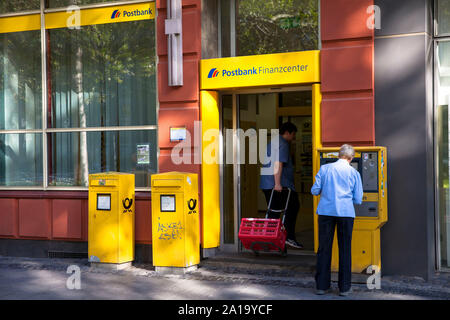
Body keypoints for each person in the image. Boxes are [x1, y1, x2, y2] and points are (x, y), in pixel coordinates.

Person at [311, 144, 363, 296]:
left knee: (324, 248)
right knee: (345, 249)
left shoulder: (325, 169)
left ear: (339, 155)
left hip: (326, 212)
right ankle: (344, 288)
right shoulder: (354, 172)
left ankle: (322, 286)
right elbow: (358, 199)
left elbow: (314, 190)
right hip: (346, 213)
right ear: (351, 158)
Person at [260, 122, 303, 249]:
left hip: (267, 183)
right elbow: (278, 164)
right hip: (279, 185)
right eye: (293, 134)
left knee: (273, 212)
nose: (294, 137)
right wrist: (278, 184)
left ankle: (269, 239)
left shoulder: (273, 142)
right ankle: (289, 237)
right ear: (288, 133)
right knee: (293, 206)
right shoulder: (283, 144)